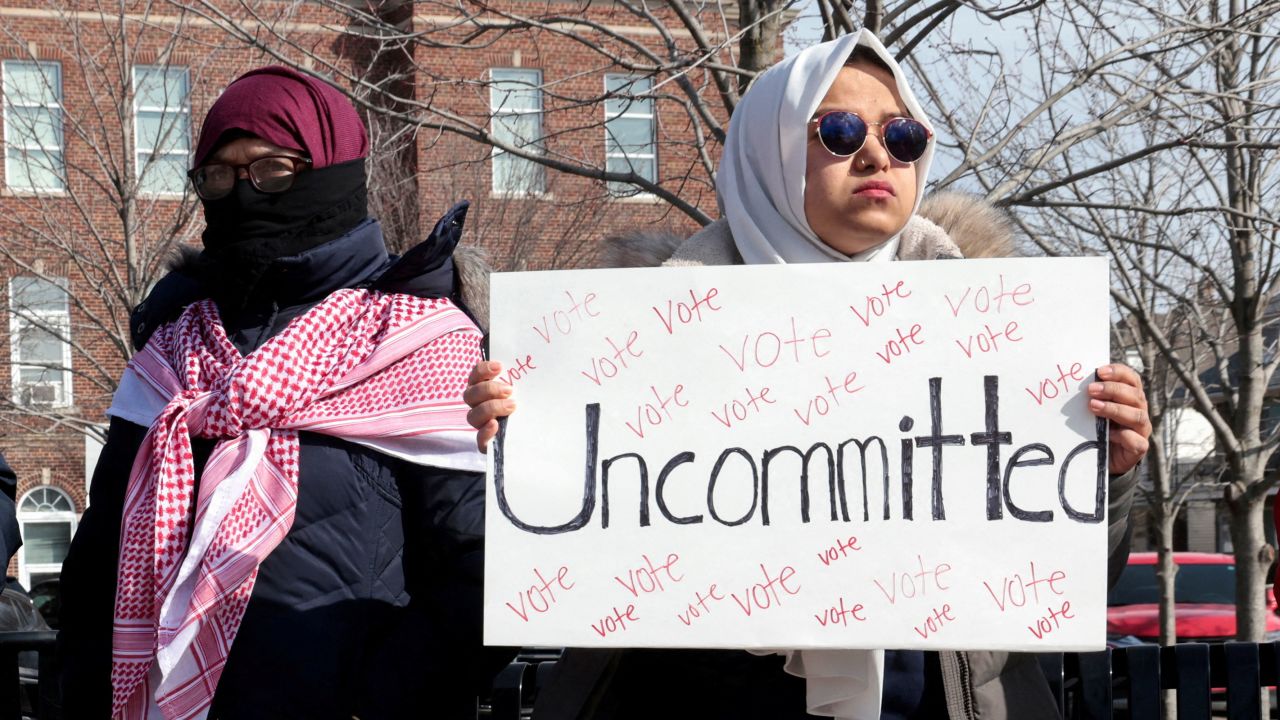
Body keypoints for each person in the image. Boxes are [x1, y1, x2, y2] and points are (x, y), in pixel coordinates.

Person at [463, 30, 1150, 720]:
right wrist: (535, 443)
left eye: (904, 135)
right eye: (842, 130)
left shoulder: (1003, 336)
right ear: (774, 149)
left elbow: (1074, 571)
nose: (878, 154)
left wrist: (1109, 476)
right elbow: (574, 562)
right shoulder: (637, 342)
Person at [58, 66, 506, 720]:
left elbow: (486, 566)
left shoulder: (422, 343)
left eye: (273, 171)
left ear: (332, 173)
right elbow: (101, 567)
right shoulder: (168, 358)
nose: (244, 195)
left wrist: (379, 699)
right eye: (220, 176)